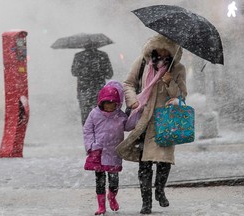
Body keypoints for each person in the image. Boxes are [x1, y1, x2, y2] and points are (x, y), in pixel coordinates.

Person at [116, 34, 187, 214]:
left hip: (165, 120)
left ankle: (160, 190)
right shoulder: (142, 63)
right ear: (152, 48)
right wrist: (133, 101)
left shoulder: (178, 68)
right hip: (144, 119)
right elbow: (129, 84)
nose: (161, 52)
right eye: (158, 48)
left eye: (166, 49)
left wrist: (170, 82)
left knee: (164, 161)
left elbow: (181, 96)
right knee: (145, 163)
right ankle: (146, 202)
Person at [83, 80, 136, 215]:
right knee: (100, 181)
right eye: (106, 103)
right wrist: (90, 146)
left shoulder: (120, 116)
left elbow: (129, 126)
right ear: (101, 102)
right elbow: (87, 130)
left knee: (114, 180)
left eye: (112, 103)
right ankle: (101, 206)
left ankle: (112, 197)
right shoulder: (94, 114)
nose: (109, 106)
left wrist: (136, 113)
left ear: (117, 104)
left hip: (114, 152)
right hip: (98, 152)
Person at [71, 47, 113, 125]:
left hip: (83, 91)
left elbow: (74, 72)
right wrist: (99, 72)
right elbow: (109, 74)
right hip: (99, 91)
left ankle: (88, 135)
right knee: (100, 116)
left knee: (86, 117)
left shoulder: (78, 56)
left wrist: (85, 72)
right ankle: (100, 134)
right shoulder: (102, 55)